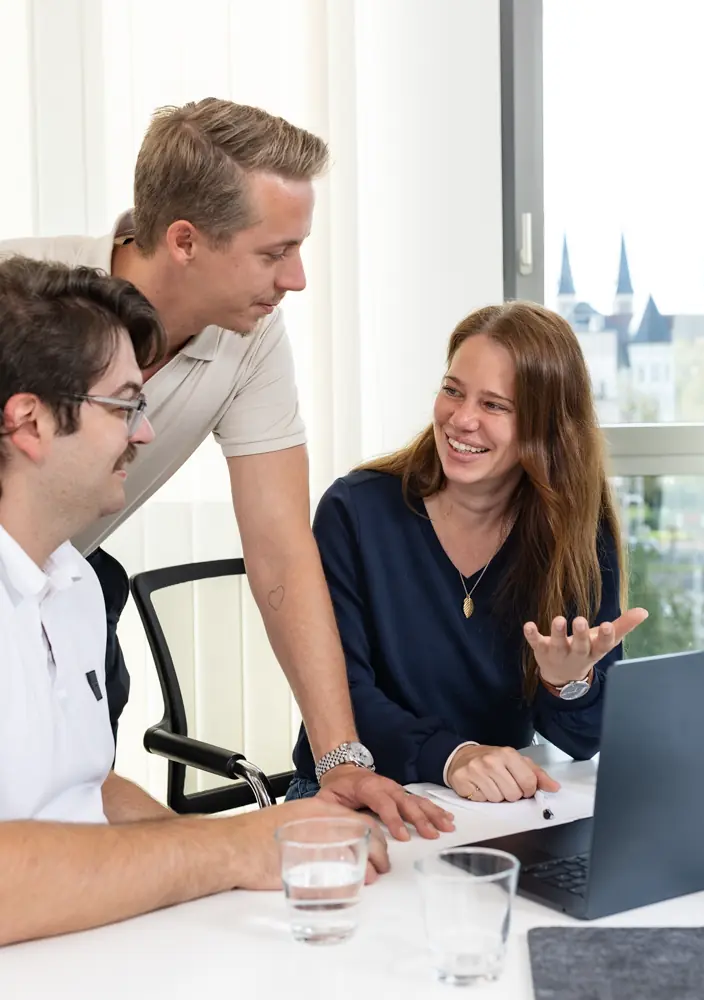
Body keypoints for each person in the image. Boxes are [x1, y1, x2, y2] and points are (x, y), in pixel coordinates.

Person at [0, 97, 452, 840]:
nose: (297, 279)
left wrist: (339, 758)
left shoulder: (253, 337)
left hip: (68, 581)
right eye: (274, 252)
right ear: (184, 240)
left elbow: (279, 547)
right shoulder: (26, 301)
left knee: (77, 819)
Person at [0, 256, 394, 947]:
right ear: (30, 423)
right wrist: (236, 847)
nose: (146, 434)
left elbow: (83, 786)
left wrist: (261, 845)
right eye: (124, 405)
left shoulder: (77, 585)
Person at [288, 302, 648, 803]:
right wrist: (451, 755)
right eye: (452, 391)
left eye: (494, 405)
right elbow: (338, 693)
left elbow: (584, 739)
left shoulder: (577, 533)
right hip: (355, 793)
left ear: (545, 427)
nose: (461, 420)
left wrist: (566, 684)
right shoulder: (354, 511)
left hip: (492, 803)